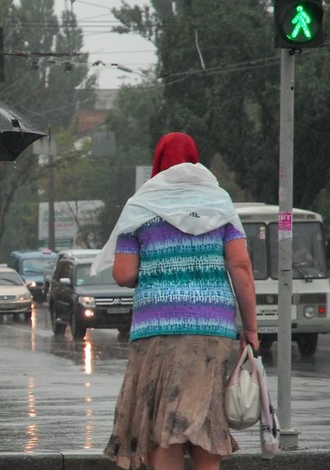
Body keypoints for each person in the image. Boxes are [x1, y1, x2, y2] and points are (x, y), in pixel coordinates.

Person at [91, 132, 260, 470]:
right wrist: (252, 330)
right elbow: (240, 266)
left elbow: (123, 273)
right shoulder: (219, 203)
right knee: (206, 422)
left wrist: (160, 270)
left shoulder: (141, 205)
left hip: (155, 331)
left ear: (158, 163)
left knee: (161, 426)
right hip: (211, 329)